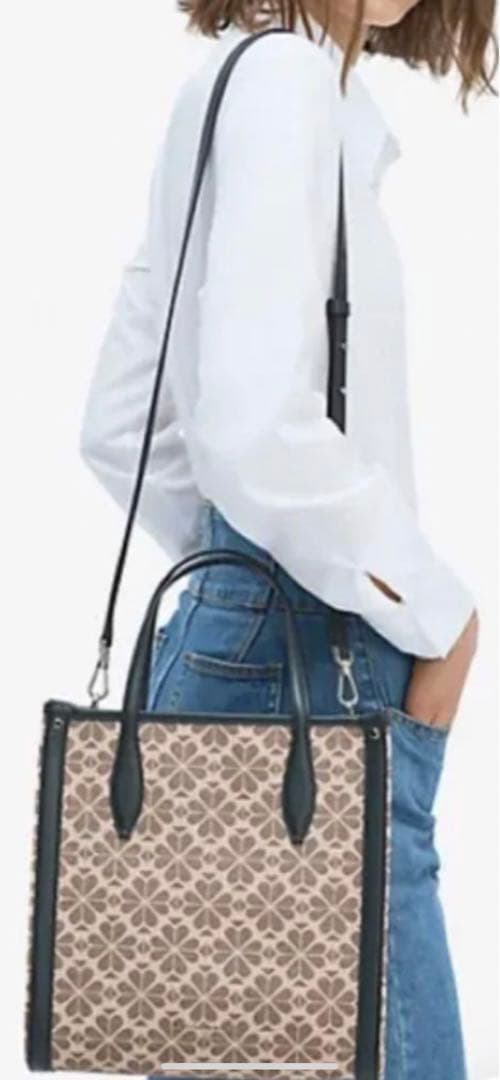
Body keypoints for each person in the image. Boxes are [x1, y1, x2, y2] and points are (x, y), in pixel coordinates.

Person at [79, 0, 496, 1076]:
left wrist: (240, 574)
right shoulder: (291, 87)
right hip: (321, 661)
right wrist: (437, 615)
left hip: (230, 658)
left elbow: (123, 423)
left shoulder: (225, 84)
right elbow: (250, 425)